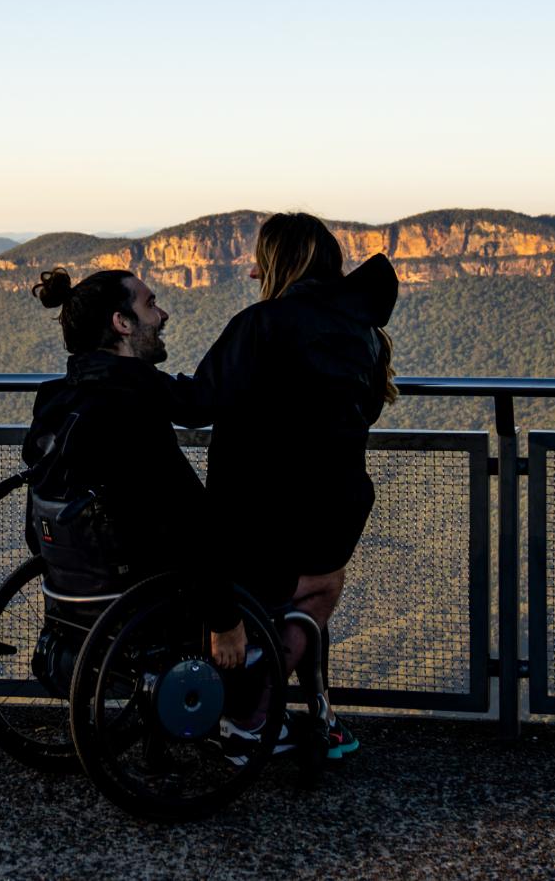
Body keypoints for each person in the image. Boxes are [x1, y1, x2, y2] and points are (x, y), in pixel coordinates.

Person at [163, 212, 399, 758]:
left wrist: (125, 380)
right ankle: (268, 708)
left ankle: (246, 720)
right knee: (312, 596)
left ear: (278, 262)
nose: (249, 270)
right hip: (329, 508)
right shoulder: (363, 334)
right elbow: (362, 411)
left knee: (269, 597)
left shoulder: (262, 324)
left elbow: (199, 402)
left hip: (253, 505)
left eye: (258, 259)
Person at [22, 266, 241, 649]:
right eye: (151, 304)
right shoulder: (131, 401)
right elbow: (192, 515)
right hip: (142, 590)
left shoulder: (57, 398)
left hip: (78, 590)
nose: (162, 315)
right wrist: (225, 620)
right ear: (122, 322)